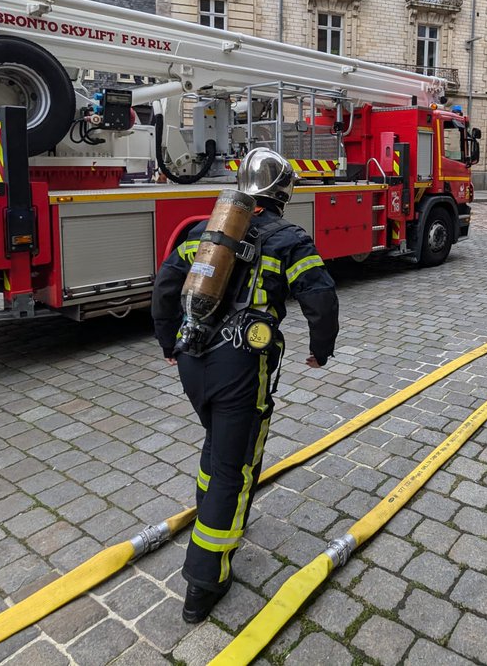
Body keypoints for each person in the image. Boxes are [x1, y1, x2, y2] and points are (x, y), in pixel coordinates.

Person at [151, 148, 339, 624]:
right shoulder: (289, 238)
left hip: (192, 360)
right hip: (241, 366)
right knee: (233, 467)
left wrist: (167, 342)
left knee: (216, 448)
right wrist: (321, 348)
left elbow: (165, 286)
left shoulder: (203, 231)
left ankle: (215, 509)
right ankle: (204, 581)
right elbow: (320, 295)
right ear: (281, 194)